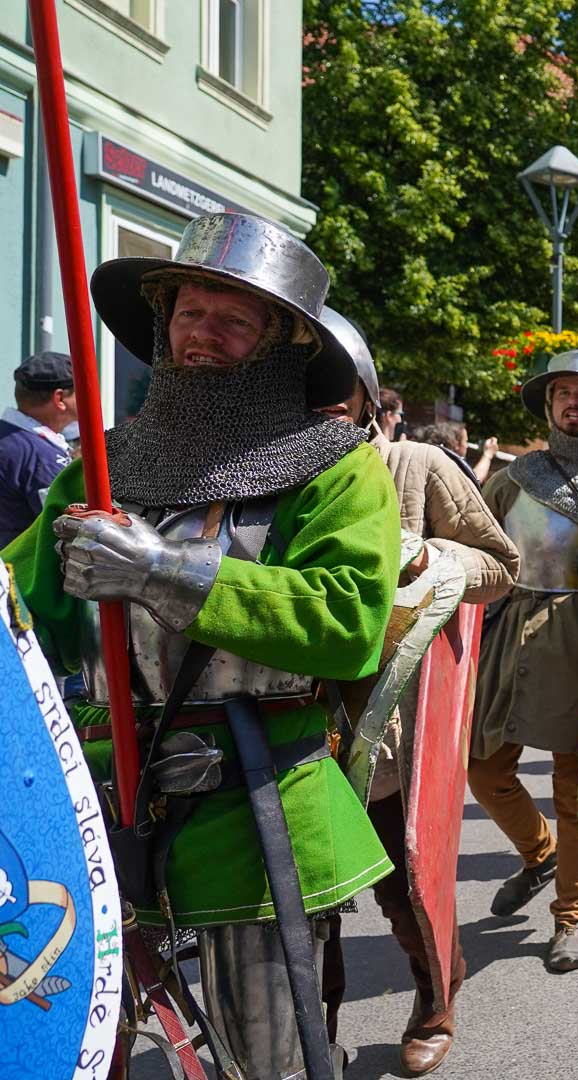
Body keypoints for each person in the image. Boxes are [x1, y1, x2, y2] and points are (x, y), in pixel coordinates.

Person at [7, 212, 399, 1078]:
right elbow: (19, 604)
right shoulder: (100, 468)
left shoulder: (337, 469)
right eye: (189, 311)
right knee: (66, 1039)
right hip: (99, 798)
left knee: (265, 1061)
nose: (202, 334)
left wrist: (160, 570)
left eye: (232, 318)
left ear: (281, 343)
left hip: (252, 802)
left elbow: (345, 623)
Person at [312, 309, 517, 1074]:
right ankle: (315, 1024)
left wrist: (428, 556)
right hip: (289, 717)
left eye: (338, 387)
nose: (322, 401)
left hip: (386, 723)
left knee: (405, 889)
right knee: (304, 901)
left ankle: (436, 994)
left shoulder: (415, 468)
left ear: (367, 398)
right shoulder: (262, 472)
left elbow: (500, 564)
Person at [469, 348, 578, 973]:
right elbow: (476, 544)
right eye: (563, 392)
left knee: (576, 790)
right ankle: (538, 854)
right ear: (549, 404)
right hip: (510, 628)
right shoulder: (513, 478)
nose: (573, 402)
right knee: (483, 769)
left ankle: (571, 920)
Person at [0, 351, 76, 547]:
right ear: (60, 399)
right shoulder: (42, 457)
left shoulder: (11, 439)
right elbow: (66, 528)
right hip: (18, 572)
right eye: (81, 390)